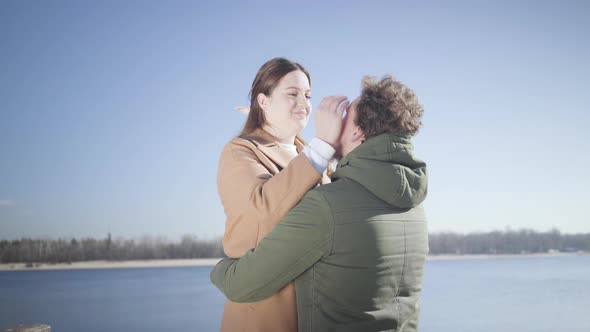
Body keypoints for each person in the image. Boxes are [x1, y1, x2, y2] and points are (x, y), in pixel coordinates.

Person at [211, 75, 428, 332]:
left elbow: (241, 284)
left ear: (358, 132)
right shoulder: (414, 208)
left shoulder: (329, 207)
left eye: (344, 115)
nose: (335, 121)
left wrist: (221, 268)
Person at [216, 57, 349, 332]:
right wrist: (321, 148)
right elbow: (260, 212)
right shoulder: (240, 151)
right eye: (292, 94)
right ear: (263, 101)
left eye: (308, 95)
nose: (304, 103)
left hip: (317, 313)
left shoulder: (311, 155)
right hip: (266, 314)